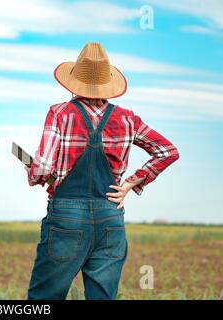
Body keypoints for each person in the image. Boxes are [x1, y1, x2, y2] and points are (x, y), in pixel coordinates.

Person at [25, 42, 180, 300]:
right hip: (111, 215)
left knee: (44, 298)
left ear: (74, 80)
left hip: (66, 216)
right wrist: (130, 184)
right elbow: (167, 151)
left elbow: (41, 168)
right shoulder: (128, 118)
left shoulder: (60, 113)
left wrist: (35, 174)